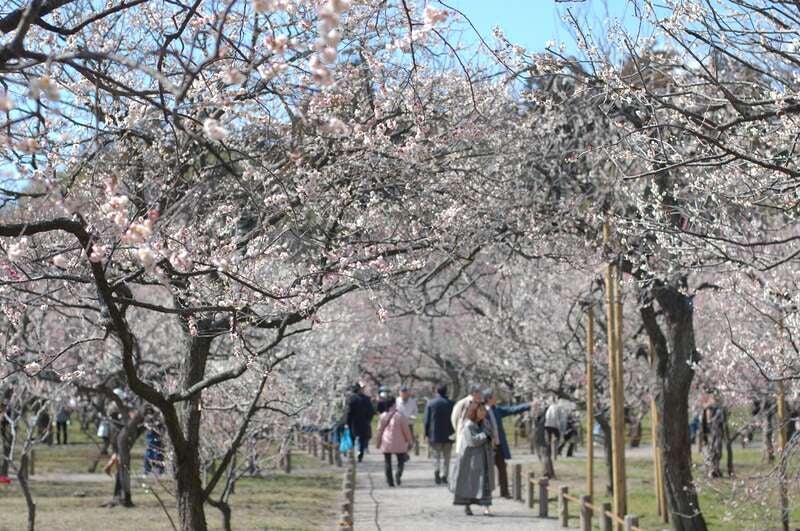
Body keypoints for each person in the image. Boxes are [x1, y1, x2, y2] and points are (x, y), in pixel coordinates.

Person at [482, 388, 531, 498]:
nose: (496, 398)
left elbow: (511, 410)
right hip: (488, 445)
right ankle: (486, 493)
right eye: (494, 396)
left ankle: (504, 492)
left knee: (502, 467)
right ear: (489, 398)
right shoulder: (482, 411)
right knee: (486, 470)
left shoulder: (497, 410)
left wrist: (528, 405)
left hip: (498, 445)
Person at [450, 401, 494, 516]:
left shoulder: (486, 423)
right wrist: (485, 435)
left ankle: (486, 507)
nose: (483, 413)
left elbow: (491, 436)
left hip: (484, 457)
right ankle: (467, 506)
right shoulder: (468, 425)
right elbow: (473, 441)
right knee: (469, 481)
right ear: (474, 411)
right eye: (480, 410)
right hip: (470, 459)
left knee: (485, 482)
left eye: (484, 410)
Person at [376, 395, 413, 487]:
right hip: (399, 442)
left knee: (387, 462)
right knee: (401, 461)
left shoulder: (383, 416)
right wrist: (409, 441)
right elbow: (406, 430)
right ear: (394, 404)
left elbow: (379, 430)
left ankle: (390, 481)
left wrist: (378, 442)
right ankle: (398, 474)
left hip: (386, 441)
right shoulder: (400, 416)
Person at [424, 383, 455, 485]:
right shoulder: (451, 403)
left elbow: (427, 420)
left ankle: (437, 471)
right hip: (449, 434)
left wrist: (426, 433)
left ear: (436, 391)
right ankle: (444, 475)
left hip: (435, 434)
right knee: (447, 457)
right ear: (446, 391)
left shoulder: (431, 403)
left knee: (436, 456)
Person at [346, 382, 375, 462]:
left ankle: (351, 453)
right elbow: (371, 411)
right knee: (362, 439)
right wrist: (368, 420)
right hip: (364, 422)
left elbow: (349, 412)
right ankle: (360, 453)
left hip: (353, 422)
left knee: (352, 438)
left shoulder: (351, 399)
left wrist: (347, 422)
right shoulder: (366, 399)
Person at [450, 384, 482, 453]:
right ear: (474, 393)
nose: (481, 395)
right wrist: (458, 429)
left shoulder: (480, 403)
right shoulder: (463, 402)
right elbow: (454, 418)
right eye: (479, 392)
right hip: (464, 432)